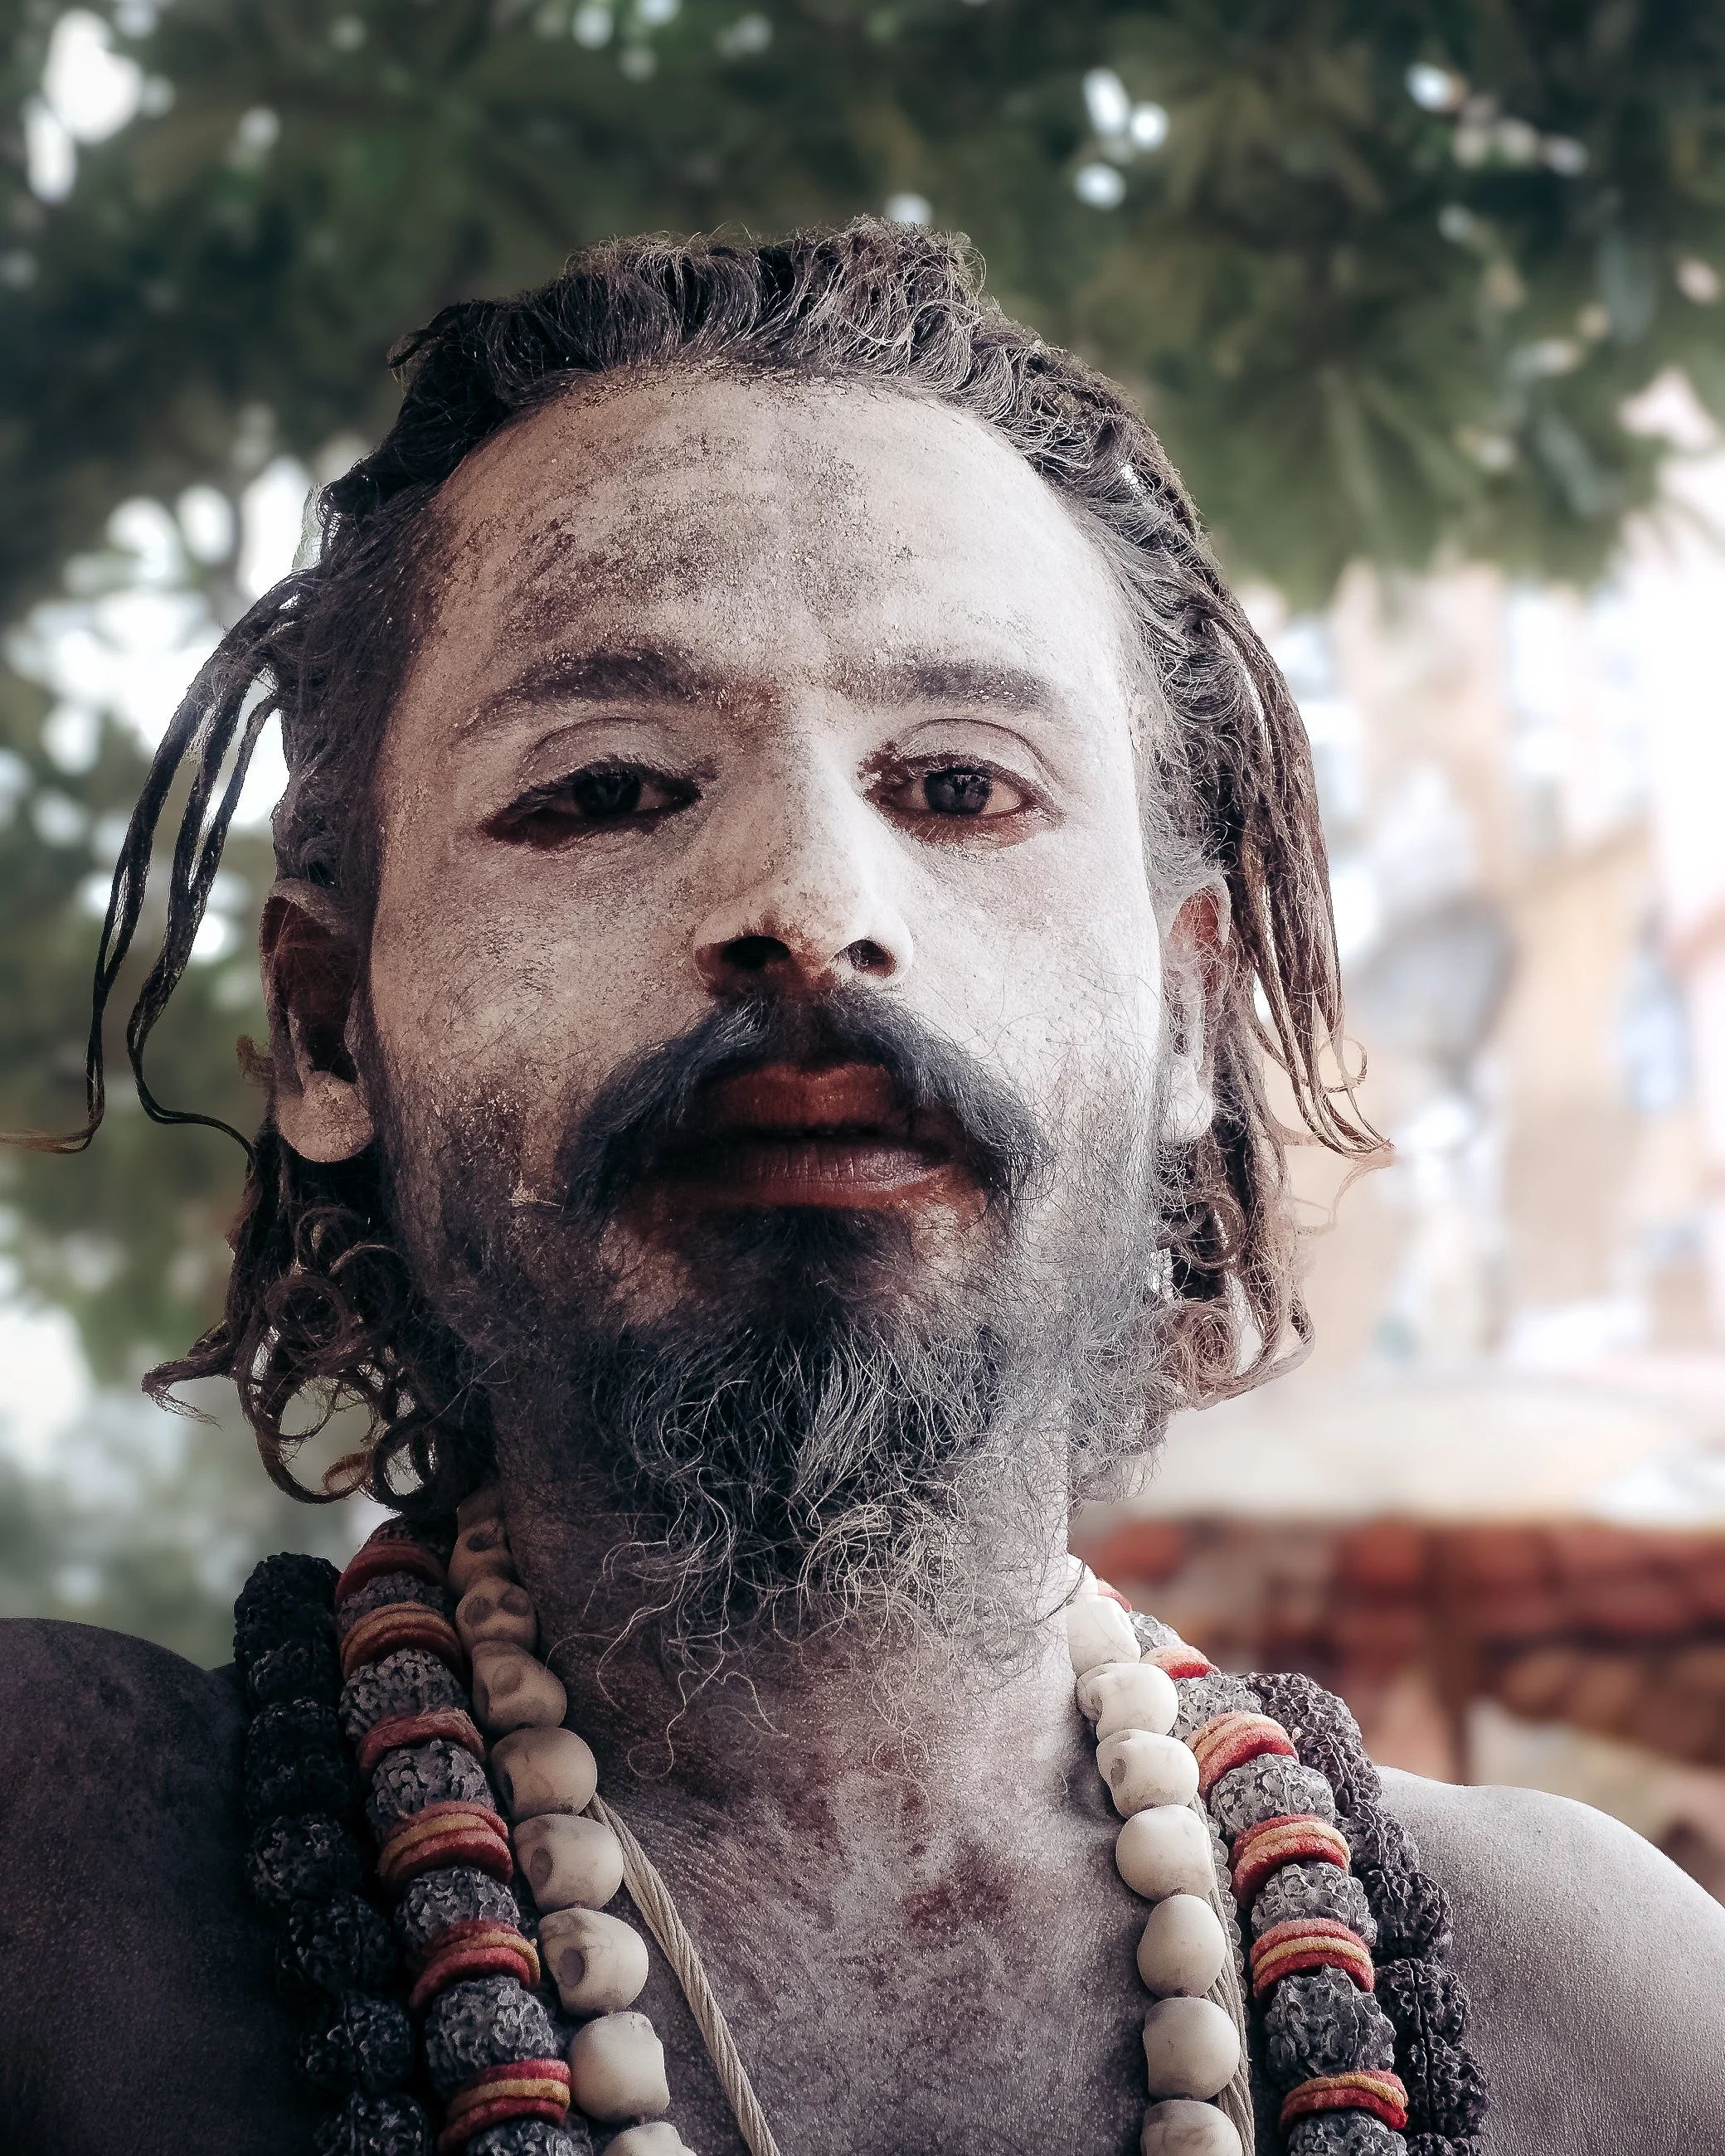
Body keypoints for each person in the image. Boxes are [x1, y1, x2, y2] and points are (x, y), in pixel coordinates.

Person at [2, 222, 1720, 2156]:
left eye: (961, 786)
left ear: (1184, 1014)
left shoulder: (1608, 2024)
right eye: (606, 786)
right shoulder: (58, 1885)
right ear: (326, 1032)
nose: (812, 906)